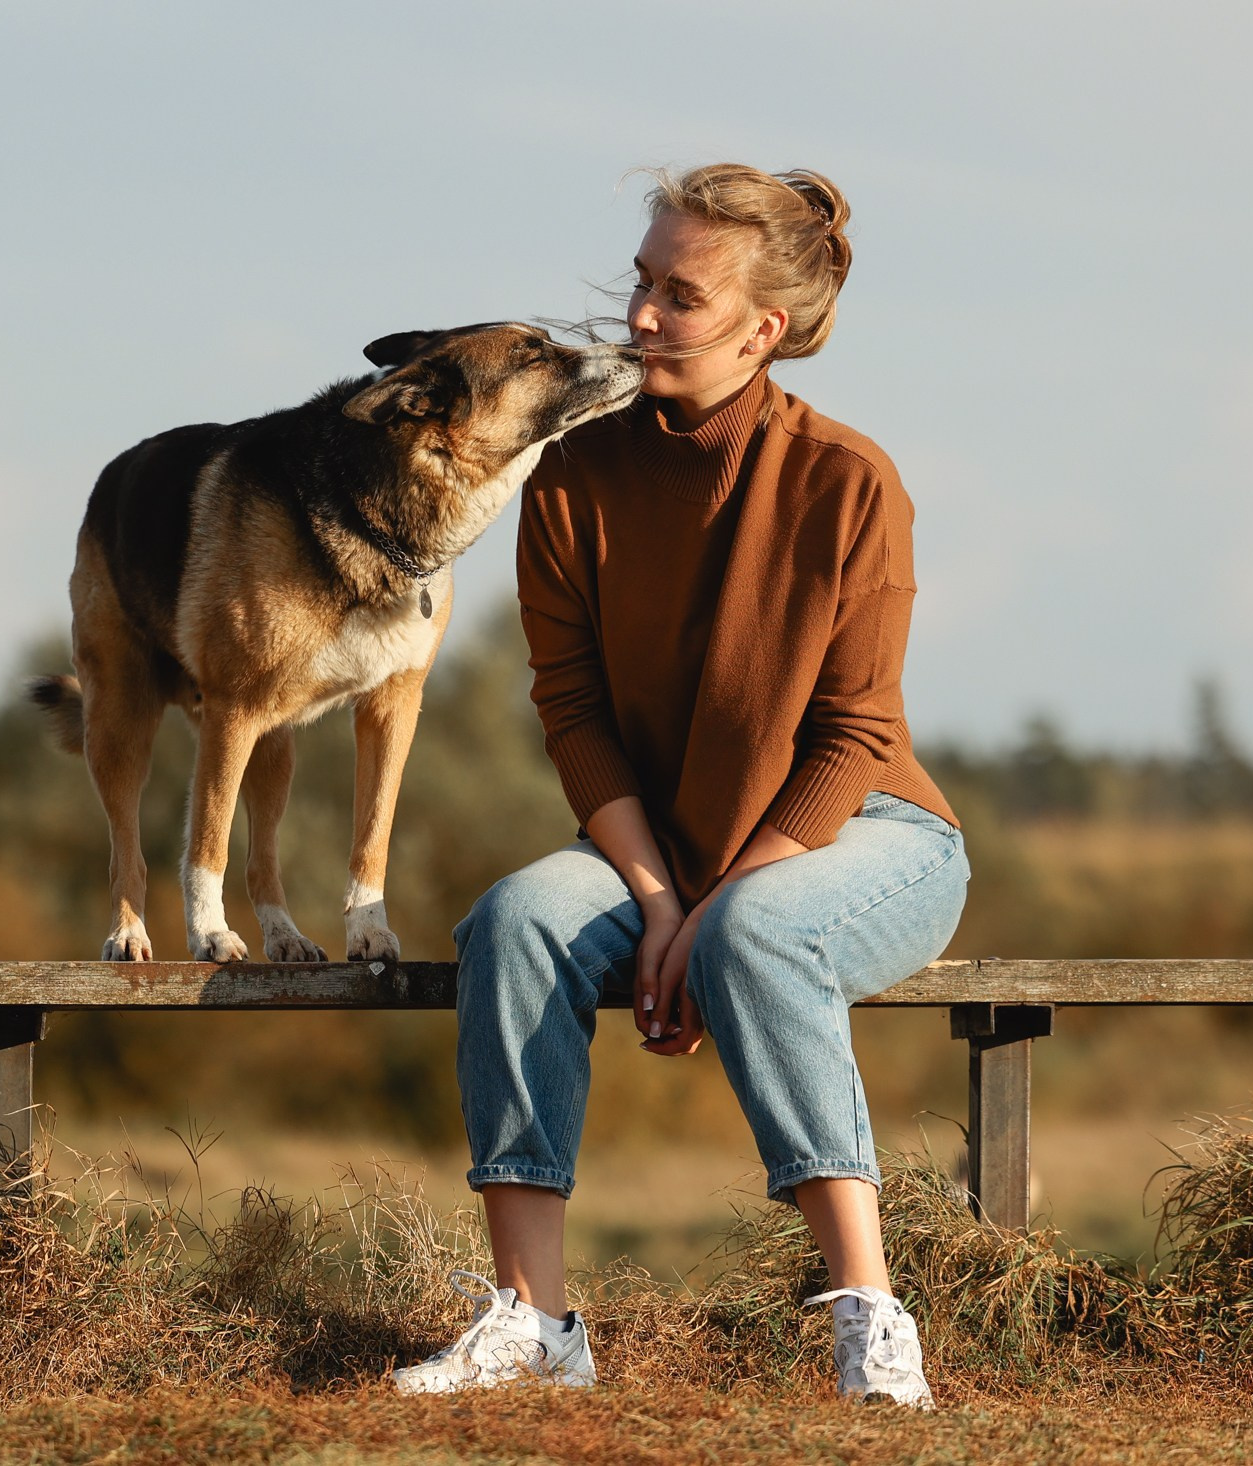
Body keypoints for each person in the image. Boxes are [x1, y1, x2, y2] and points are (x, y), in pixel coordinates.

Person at [392, 164, 968, 1407]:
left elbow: (853, 735)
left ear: (764, 331)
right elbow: (577, 714)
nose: (641, 316)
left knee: (759, 932)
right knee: (515, 921)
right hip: (667, 847)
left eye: (680, 295)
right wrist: (661, 903)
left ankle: (870, 1312)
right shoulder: (568, 480)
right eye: (641, 283)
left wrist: (713, 915)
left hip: (865, 831)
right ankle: (535, 1319)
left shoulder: (848, 482)